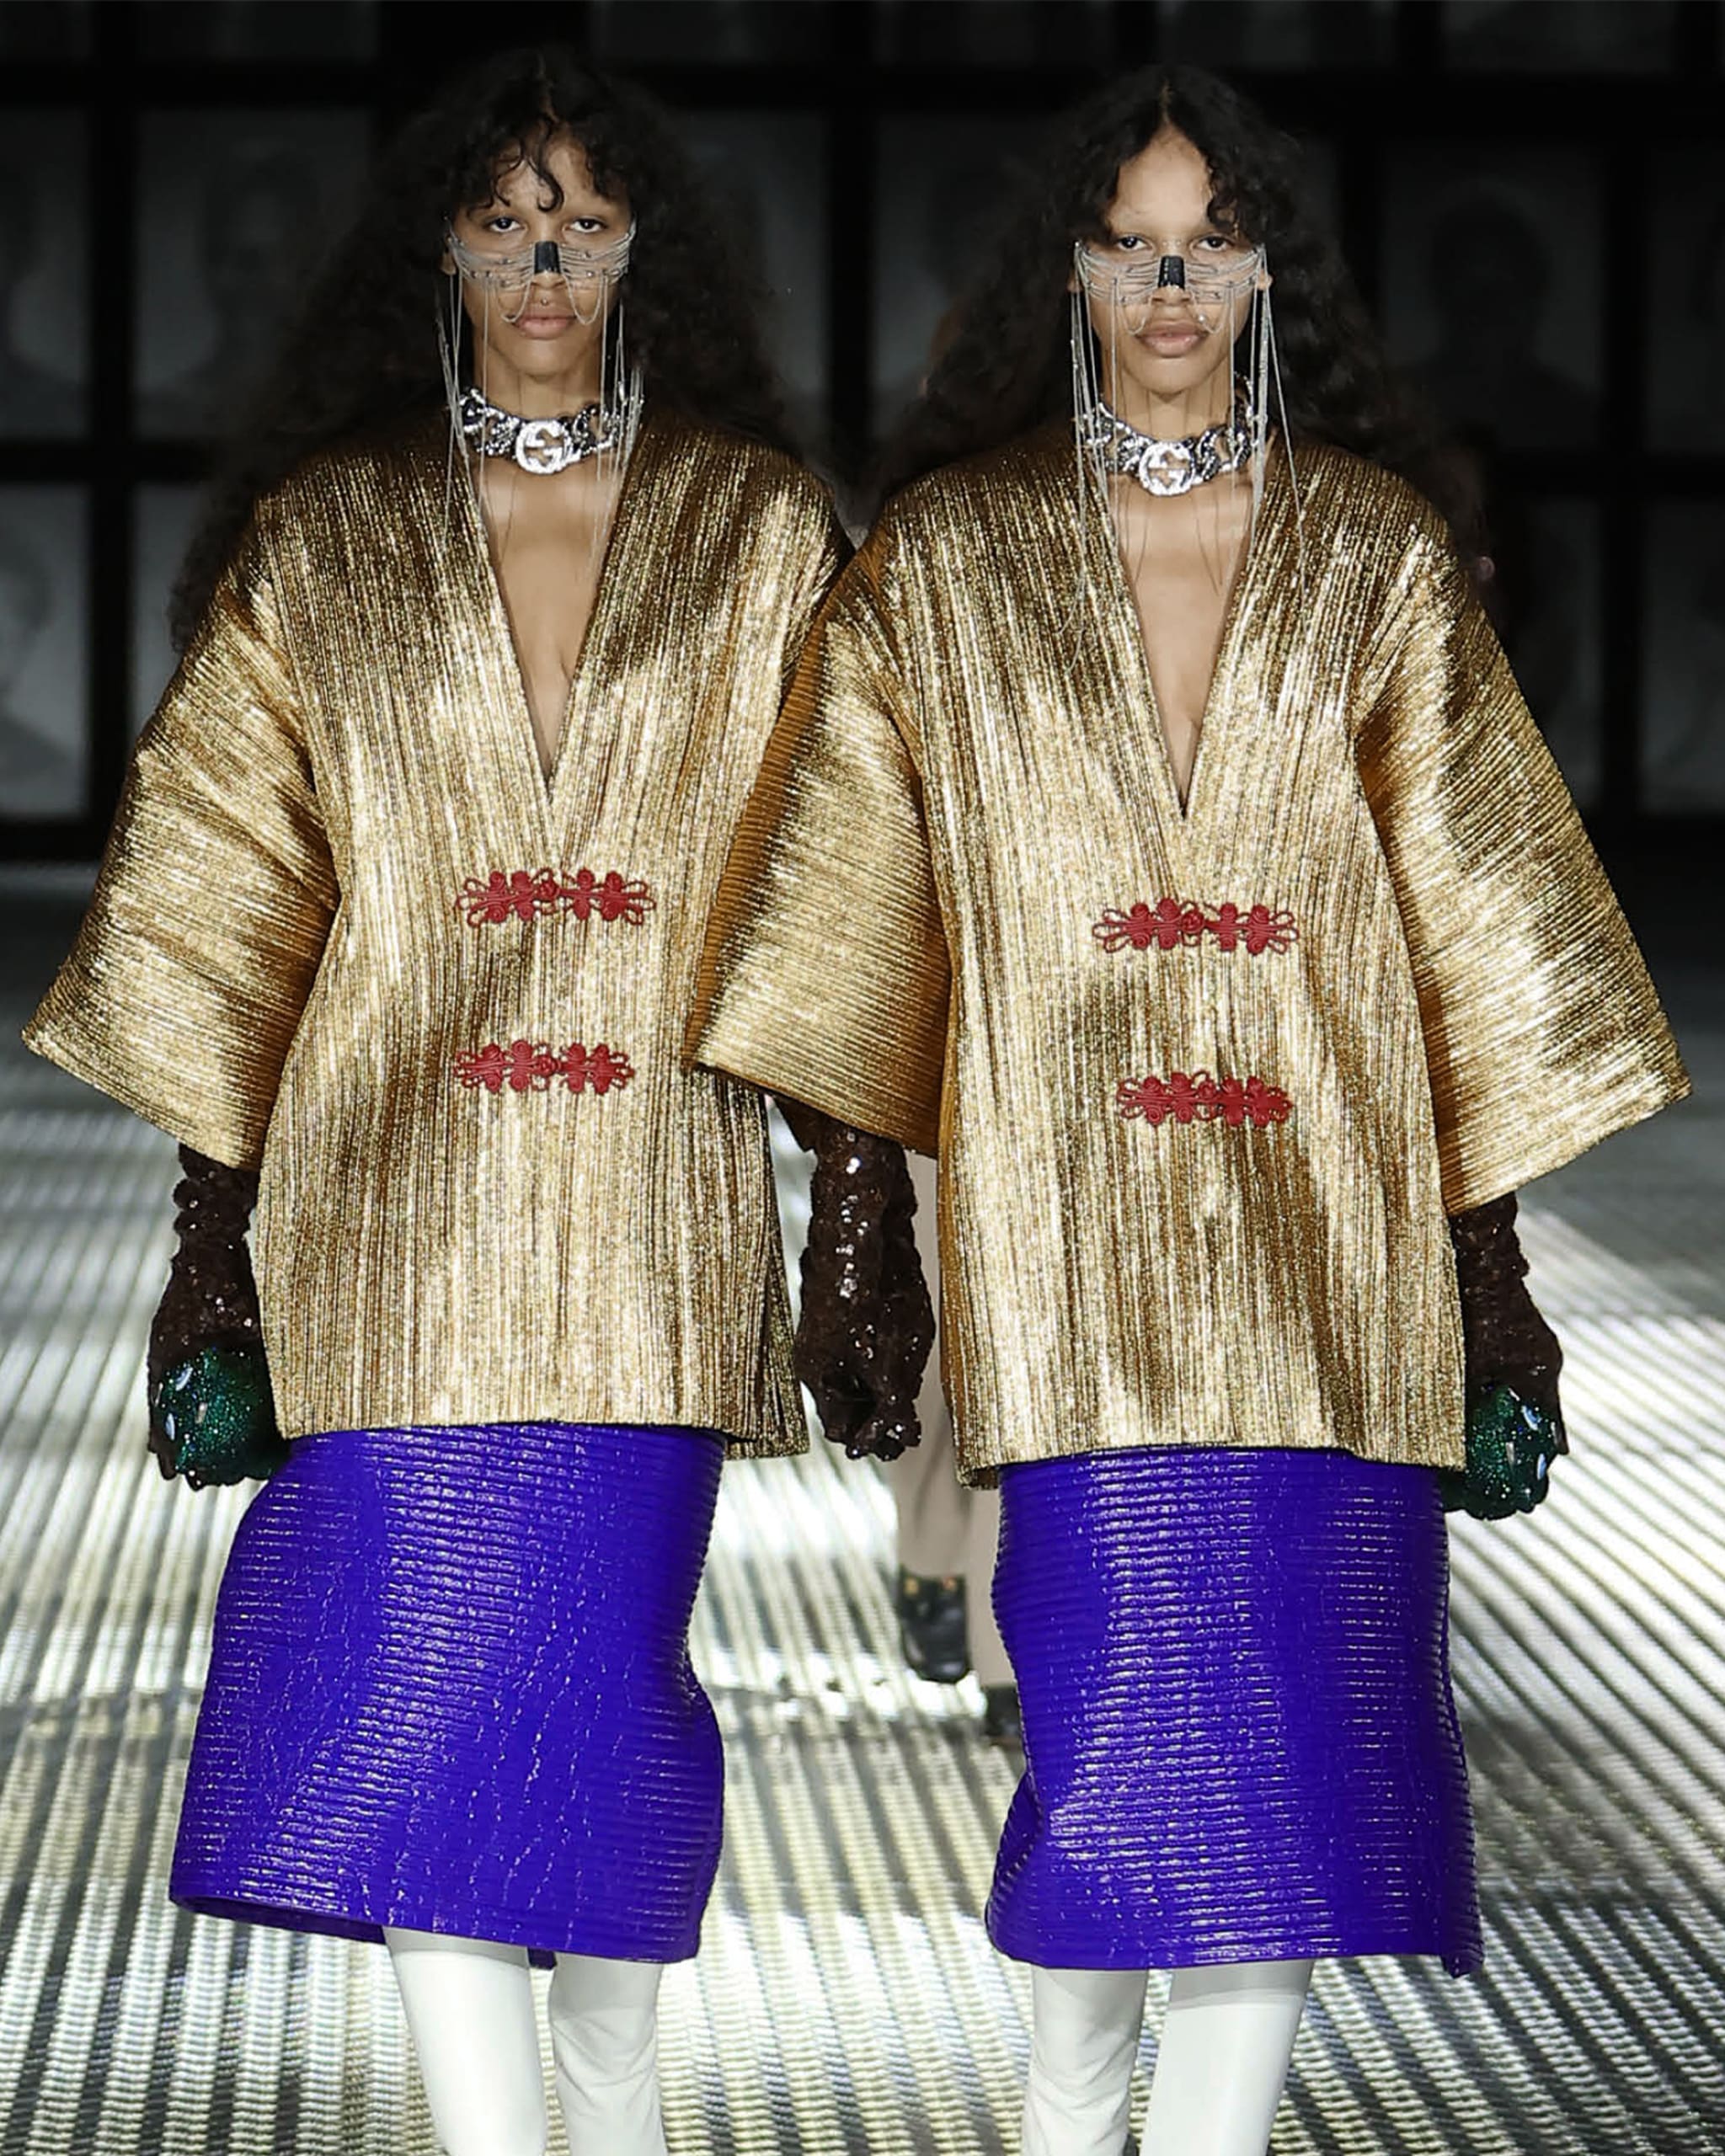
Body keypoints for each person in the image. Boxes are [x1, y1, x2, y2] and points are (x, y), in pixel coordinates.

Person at [693, 64, 1688, 2156]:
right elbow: (860, 902)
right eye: (1131, 245)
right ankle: (1074, 2119)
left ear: (1266, 272)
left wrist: (1490, 1290)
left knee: (1294, 1786)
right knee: (1108, 1759)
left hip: (1331, 1272)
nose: (1170, 288)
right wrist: (857, 1230)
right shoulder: (950, 562)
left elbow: (1469, 948)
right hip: (1066, 1271)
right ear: (1070, 270)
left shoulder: (1377, 559)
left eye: (1209, 245)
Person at [26, 47, 837, 2156]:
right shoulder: (329, 535)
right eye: (502, 218)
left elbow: (852, 877)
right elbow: (233, 906)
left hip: (650, 1221)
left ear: (644, 243)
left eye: (582, 217)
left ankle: (608, 2106)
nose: (542, 260)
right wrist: (211, 1256)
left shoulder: (757, 527)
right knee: (424, 1713)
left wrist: (861, 1215)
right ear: (439, 247)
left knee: (603, 1704)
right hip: (383, 1219)